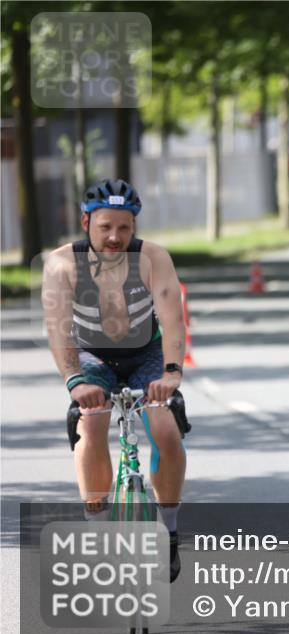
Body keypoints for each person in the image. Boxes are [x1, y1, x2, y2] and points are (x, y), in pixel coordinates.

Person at [42, 178, 189, 581]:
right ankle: (97, 532)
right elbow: (58, 328)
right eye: (105, 226)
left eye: (124, 227)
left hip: (147, 353)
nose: (114, 236)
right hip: (91, 356)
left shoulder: (153, 257)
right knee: (90, 425)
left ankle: (171, 531)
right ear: (86, 221)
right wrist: (75, 381)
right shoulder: (61, 263)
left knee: (166, 428)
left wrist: (172, 373)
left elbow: (173, 320)